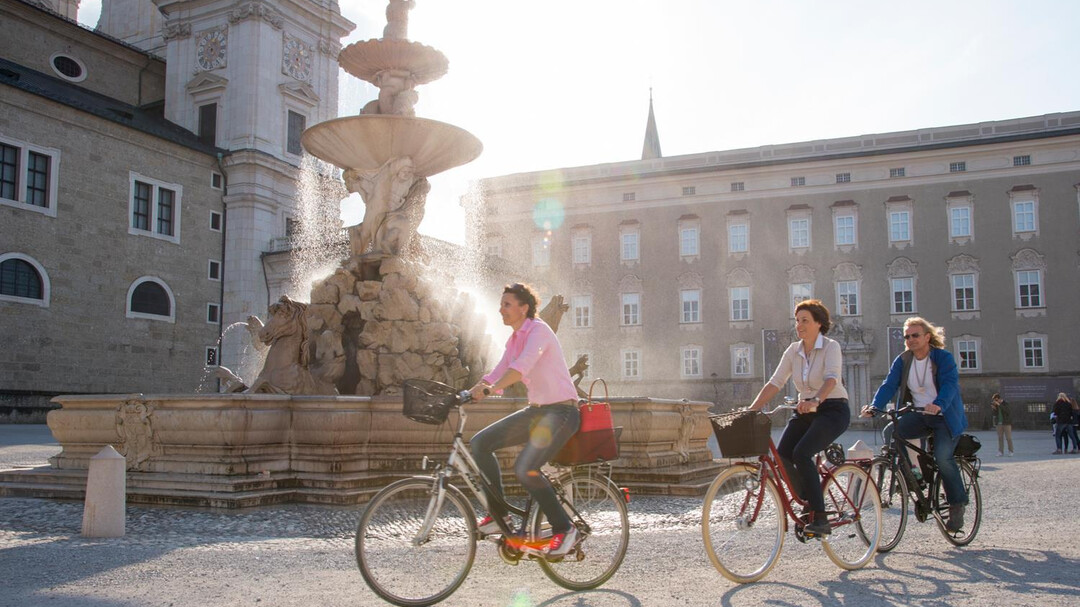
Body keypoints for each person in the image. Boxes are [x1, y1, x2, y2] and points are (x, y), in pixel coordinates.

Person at [469, 283, 581, 557]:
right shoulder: (515, 338)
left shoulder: (539, 331)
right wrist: (477, 386)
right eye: (501, 304)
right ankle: (499, 516)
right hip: (539, 411)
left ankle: (565, 528)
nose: (501, 310)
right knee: (480, 443)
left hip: (562, 412)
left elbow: (520, 368)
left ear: (524, 308)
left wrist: (490, 390)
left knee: (525, 468)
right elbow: (501, 368)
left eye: (507, 304)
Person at [748, 299, 849, 537]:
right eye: (797, 320)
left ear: (819, 323)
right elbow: (775, 382)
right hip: (805, 409)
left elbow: (832, 378)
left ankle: (821, 518)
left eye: (805, 320)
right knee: (782, 455)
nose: (799, 325)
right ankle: (808, 503)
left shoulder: (831, 346)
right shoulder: (793, 351)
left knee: (802, 453)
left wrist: (816, 400)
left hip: (832, 408)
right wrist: (751, 409)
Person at [860, 317, 969, 532]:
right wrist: (874, 407)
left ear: (927, 337)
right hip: (919, 415)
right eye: (907, 336)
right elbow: (889, 385)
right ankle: (914, 476)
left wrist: (939, 404)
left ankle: (957, 504)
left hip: (944, 416)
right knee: (892, 431)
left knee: (943, 458)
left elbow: (950, 385)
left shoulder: (942, 358)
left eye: (915, 335)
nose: (910, 339)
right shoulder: (903, 360)